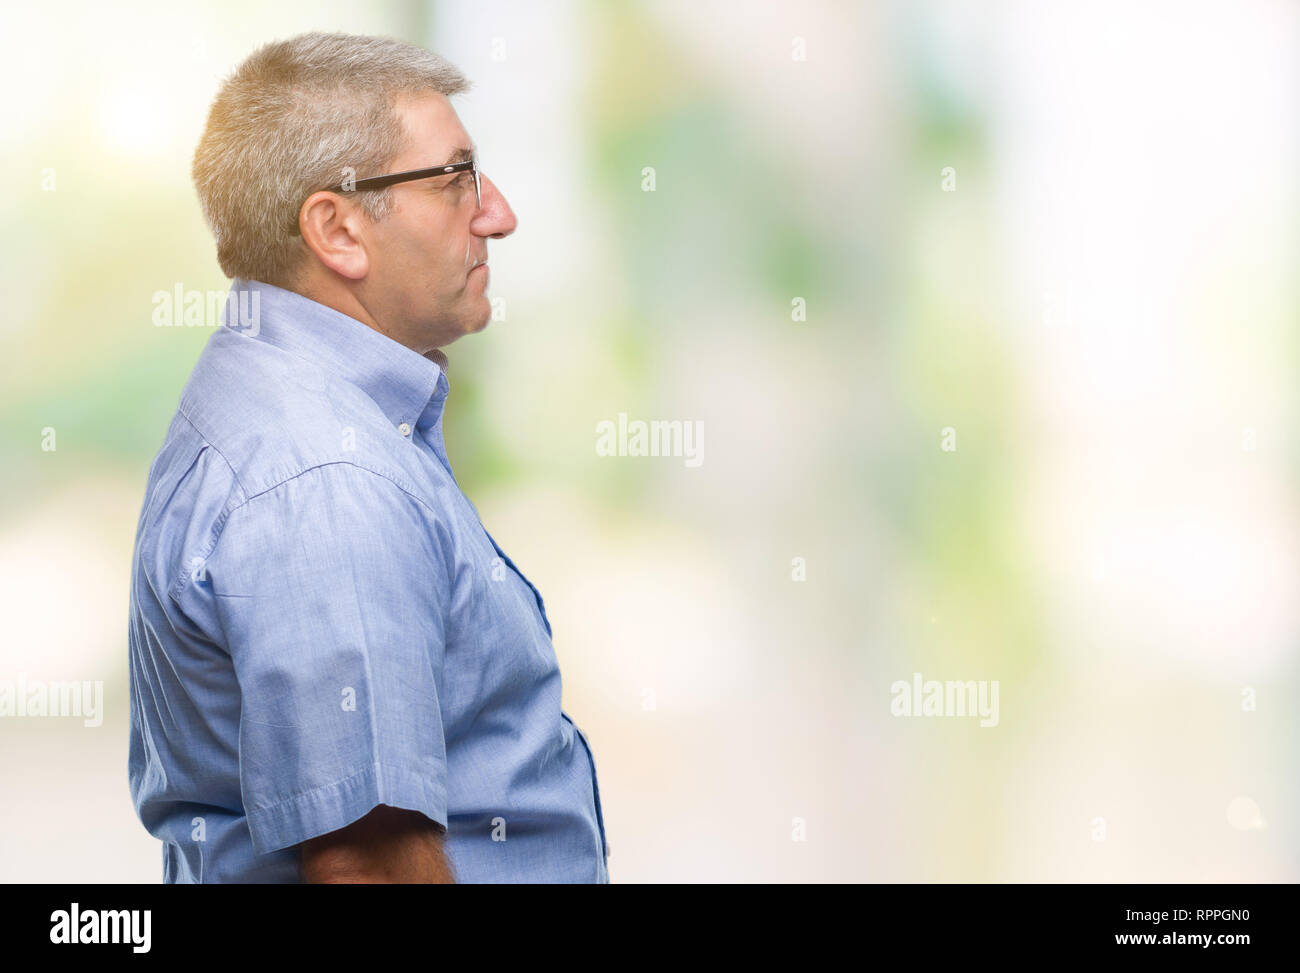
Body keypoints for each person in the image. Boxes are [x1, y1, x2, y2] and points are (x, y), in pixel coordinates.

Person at [126, 31, 609, 883]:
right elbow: (367, 865)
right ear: (338, 229)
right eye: (455, 177)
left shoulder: (280, 410)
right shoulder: (327, 481)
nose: (497, 211)